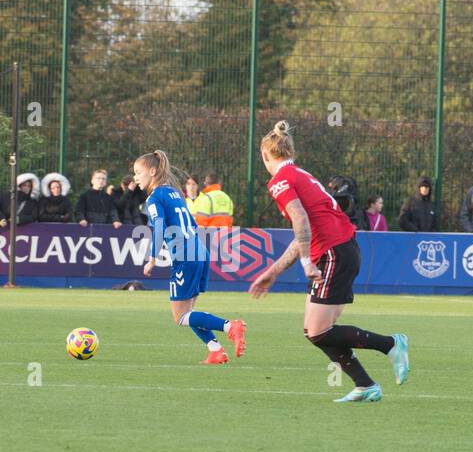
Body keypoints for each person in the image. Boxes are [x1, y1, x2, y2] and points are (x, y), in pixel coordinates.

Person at [247, 121, 409, 403]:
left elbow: (301, 221)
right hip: (342, 250)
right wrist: (273, 271)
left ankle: (391, 344)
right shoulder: (301, 175)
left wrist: (308, 262)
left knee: (319, 331)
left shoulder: (280, 181)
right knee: (317, 331)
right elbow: (304, 232)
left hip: (334, 253)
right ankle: (365, 384)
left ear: (264, 156)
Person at [133, 150, 246, 365]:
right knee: (189, 311)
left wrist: (153, 258)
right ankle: (215, 350)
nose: (136, 177)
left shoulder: (154, 198)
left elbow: (158, 227)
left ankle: (231, 326)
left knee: (181, 317)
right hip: (199, 252)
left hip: (186, 256)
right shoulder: (175, 193)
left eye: (138, 172)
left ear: (153, 171)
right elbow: (192, 225)